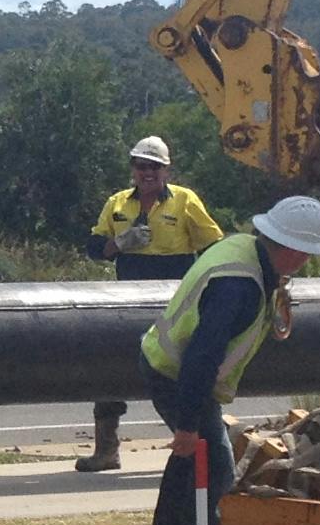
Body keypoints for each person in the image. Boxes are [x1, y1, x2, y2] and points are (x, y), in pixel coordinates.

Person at [138, 193, 320, 525]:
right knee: (215, 466)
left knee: (187, 461)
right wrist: (189, 424)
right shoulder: (238, 286)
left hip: (168, 366)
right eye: (307, 252)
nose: (307, 261)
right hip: (178, 375)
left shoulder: (246, 252)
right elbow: (201, 357)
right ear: (291, 249)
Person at [75, 135, 222, 471]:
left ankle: (198, 440)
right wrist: (119, 243)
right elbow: (95, 249)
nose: (148, 172)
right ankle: (106, 450)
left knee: (182, 371)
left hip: (174, 301)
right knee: (111, 367)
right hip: (125, 298)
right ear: (133, 169)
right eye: (141, 166)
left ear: (166, 170)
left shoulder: (185, 201)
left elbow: (213, 246)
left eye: (155, 166)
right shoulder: (117, 204)